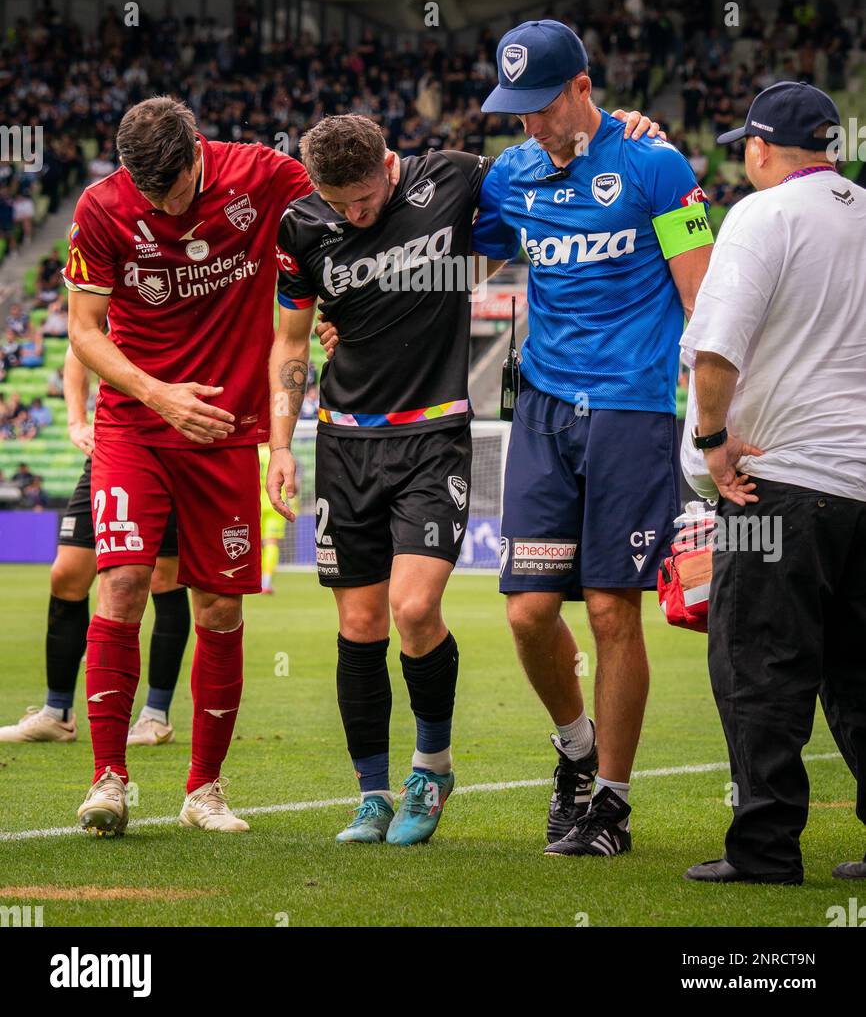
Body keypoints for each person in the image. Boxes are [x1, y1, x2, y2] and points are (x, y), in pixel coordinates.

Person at [268, 106, 661, 848]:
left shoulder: (450, 177)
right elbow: (290, 337)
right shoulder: (300, 228)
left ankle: (432, 767)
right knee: (357, 626)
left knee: (414, 610)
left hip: (433, 434)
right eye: (338, 204)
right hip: (343, 443)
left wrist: (618, 126)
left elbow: (549, 156)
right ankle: (372, 796)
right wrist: (281, 443)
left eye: (365, 200)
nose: (353, 215)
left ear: (389, 165)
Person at [472, 19, 713, 859]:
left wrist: (715, 425)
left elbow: (704, 299)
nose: (529, 125)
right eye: (516, 112)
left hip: (632, 411)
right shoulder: (511, 174)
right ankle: (574, 750)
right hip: (541, 410)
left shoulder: (658, 164)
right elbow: (450, 249)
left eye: (540, 106)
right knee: (528, 611)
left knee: (613, 610)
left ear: (582, 88)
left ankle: (610, 803)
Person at [64, 96, 310, 836]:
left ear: (198, 151)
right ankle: (110, 780)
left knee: (220, 609)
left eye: (171, 188)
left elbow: (350, 204)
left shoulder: (264, 176)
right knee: (124, 582)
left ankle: (205, 789)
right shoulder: (101, 207)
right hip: (135, 425)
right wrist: (155, 394)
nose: (161, 205)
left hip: (227, 432)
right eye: (148, 191)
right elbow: (84, 329)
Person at [679, 80, 866, 885]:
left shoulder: (762, 214)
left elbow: (716, 349)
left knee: (758, 665)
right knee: (860, 672)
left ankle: (764, 848)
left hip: (782, 482)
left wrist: (714, 444)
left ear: (759, 148)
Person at [0, 346, 190, 748]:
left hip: (173, 448)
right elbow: (76, 350)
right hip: (113, 446)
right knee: (67, 574)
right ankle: (57, 713)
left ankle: (156, 715)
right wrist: (75, 422)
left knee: (163, 578)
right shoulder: (111, 291)